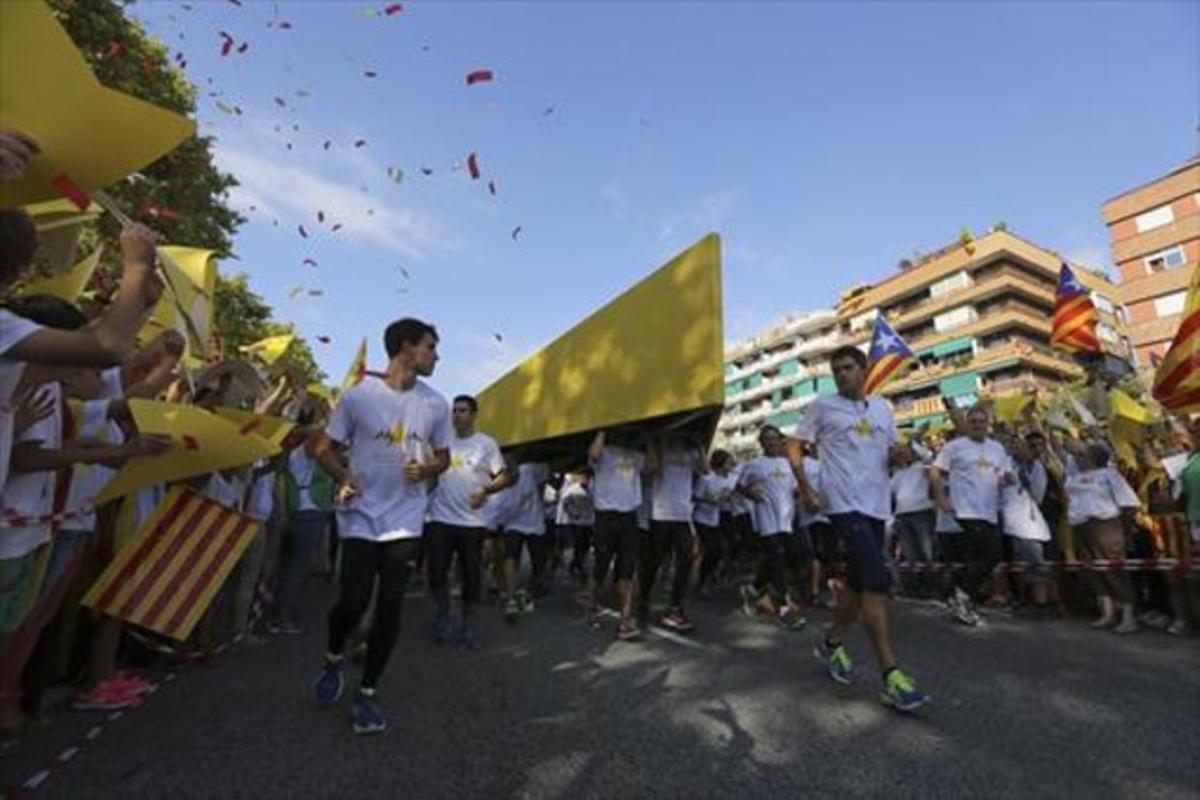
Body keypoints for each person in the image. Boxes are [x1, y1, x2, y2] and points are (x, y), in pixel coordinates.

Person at [312, 318, 451, 735]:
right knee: (353, 602)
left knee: (391, 605)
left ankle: (367, 694)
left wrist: (426, 469)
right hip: (360, 515)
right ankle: (334, 657)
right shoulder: (359, 397)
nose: (436, 355)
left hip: (406, 519)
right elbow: (323, 448)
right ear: (406, 347)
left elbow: (442, 459)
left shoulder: (436, 405)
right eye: (430, 346)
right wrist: (342, 477)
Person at [794, 345, 929, 712]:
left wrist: (899, 455)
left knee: (857, 582)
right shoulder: (823, 406)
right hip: (842, 505)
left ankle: (833, 643)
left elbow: (886, 451)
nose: (841, 374)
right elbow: (795, 446)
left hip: (876, 505)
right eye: (836, 369)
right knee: (876, 580)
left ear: (864, 369)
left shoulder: (883, 408)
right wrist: (807, 489)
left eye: (848, 367)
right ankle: (891, 676)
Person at [425, 394, 510, 647]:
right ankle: (444, 608)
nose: (456, 415)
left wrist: (486, 490)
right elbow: (430, 474)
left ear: (473, 415)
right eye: (454, 410)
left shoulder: (486, 444)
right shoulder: (442, 442)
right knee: (436, 574)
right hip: (440, 518)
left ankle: (468, 623)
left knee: (472, 578)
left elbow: (504, 476)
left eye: (462, 411)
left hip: (472, 523)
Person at [930, 406, 1015, 627]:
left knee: (984, 557)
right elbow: (935, 471)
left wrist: (1006, 479)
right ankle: (962, 596)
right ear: (967, 424)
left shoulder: (996, 448)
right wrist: (941, 498)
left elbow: (1004, 473)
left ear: (987, 424)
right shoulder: (955, 447)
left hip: (990, 510)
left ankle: (958, 595)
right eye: (974, 421)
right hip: (965, 510)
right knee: (990, 554)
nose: (978, 425)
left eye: (981, 421)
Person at [1065, 443, 1141, 634]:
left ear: (1094, 457)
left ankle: (1129, 617)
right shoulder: (1074, 477)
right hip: (1082, 526)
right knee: (1094, 570)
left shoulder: (1110, 475)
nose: (1079, 457)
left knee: (1114, 570)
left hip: (1106, 526)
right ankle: (1107, 613)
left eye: (1083, 454)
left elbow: (1129, 503)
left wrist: (1125, 530)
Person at [737, 426, 807, 629]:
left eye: (775, 439)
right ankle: (783, 608)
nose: (772, 442)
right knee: (778, 559)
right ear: (761, 442)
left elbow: (795, 487)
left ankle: (753, 588)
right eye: (767, 439)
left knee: (785, 556)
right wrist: (752, 495)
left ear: (780, 441)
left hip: (786, 519)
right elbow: (739, 486)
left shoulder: (788, 464)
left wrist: (798, 494)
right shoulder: (753, 465)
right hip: (766, 520)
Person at [639, 435, 705, 632]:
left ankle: (675, 607)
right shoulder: (660, 448)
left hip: (683, 515)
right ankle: (643, 596)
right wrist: (659, 441)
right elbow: (654, 470)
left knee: (686, 560)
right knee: (654, 561)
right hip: (660, 514)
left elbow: (705, 470)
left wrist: (700, 445)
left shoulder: (691, 451)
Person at [586, 430, 646, 640]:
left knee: (628, 569)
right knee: (601, 566)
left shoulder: (636, 454)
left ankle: (625, 620)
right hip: (606, 516)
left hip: (629, 516)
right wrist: (604, 428)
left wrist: (654, 437)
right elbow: (593, 455)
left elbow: (654, 466)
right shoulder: (604, 451)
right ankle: (592, 605)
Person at [500, 460, 552, 622]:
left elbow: (546, 473)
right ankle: (510, 598)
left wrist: (540, 497)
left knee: (539, 563)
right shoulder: (498, 494)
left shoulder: (529, 469)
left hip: (535, 523)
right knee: (510, 557)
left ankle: (529, 590)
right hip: (512, 525)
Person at [890, 442, 935, 599]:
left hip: (922, 513)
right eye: (900, 453)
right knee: (910, 554)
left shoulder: (921, 468)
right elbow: (889, 493)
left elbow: (929, 457)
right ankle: (913, 588)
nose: (902, 455)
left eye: (906, 452)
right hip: (902, 515)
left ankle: (930, 587)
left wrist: (913, 442)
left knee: (927, 552)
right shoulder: (896, 473)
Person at [693, 450, 736, 599]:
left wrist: (729, 497)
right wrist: (710, 499)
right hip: (701, 518)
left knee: (719, 549)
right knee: (712, 549)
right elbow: (695, 497)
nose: (730, 466)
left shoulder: (731, 479)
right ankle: (703, 581)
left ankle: (711, 575)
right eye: (728, 463)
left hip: (717, 517)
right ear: (720, 463)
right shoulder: (706, 479)